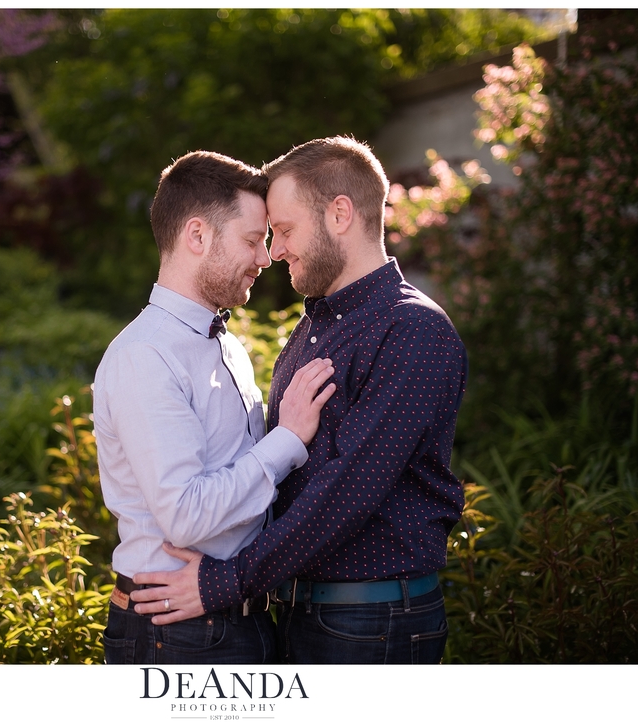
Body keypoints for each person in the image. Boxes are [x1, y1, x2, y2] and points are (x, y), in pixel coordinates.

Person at [130, 136, 468, 665]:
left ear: (339, 215)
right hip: (299, 613)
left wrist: (227, 581)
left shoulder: (412, 330)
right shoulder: (318, 323)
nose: (276, 250)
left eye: (284, 230)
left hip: (368, 621)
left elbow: (348, 491)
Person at [93, 150, 336, 665]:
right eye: (252, 240)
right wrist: (287, 441)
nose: (265, 257)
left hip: (231, 617)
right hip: (176, 633)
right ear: (197, 236)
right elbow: (184, 515)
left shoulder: (222, 343)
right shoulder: (146, 355)